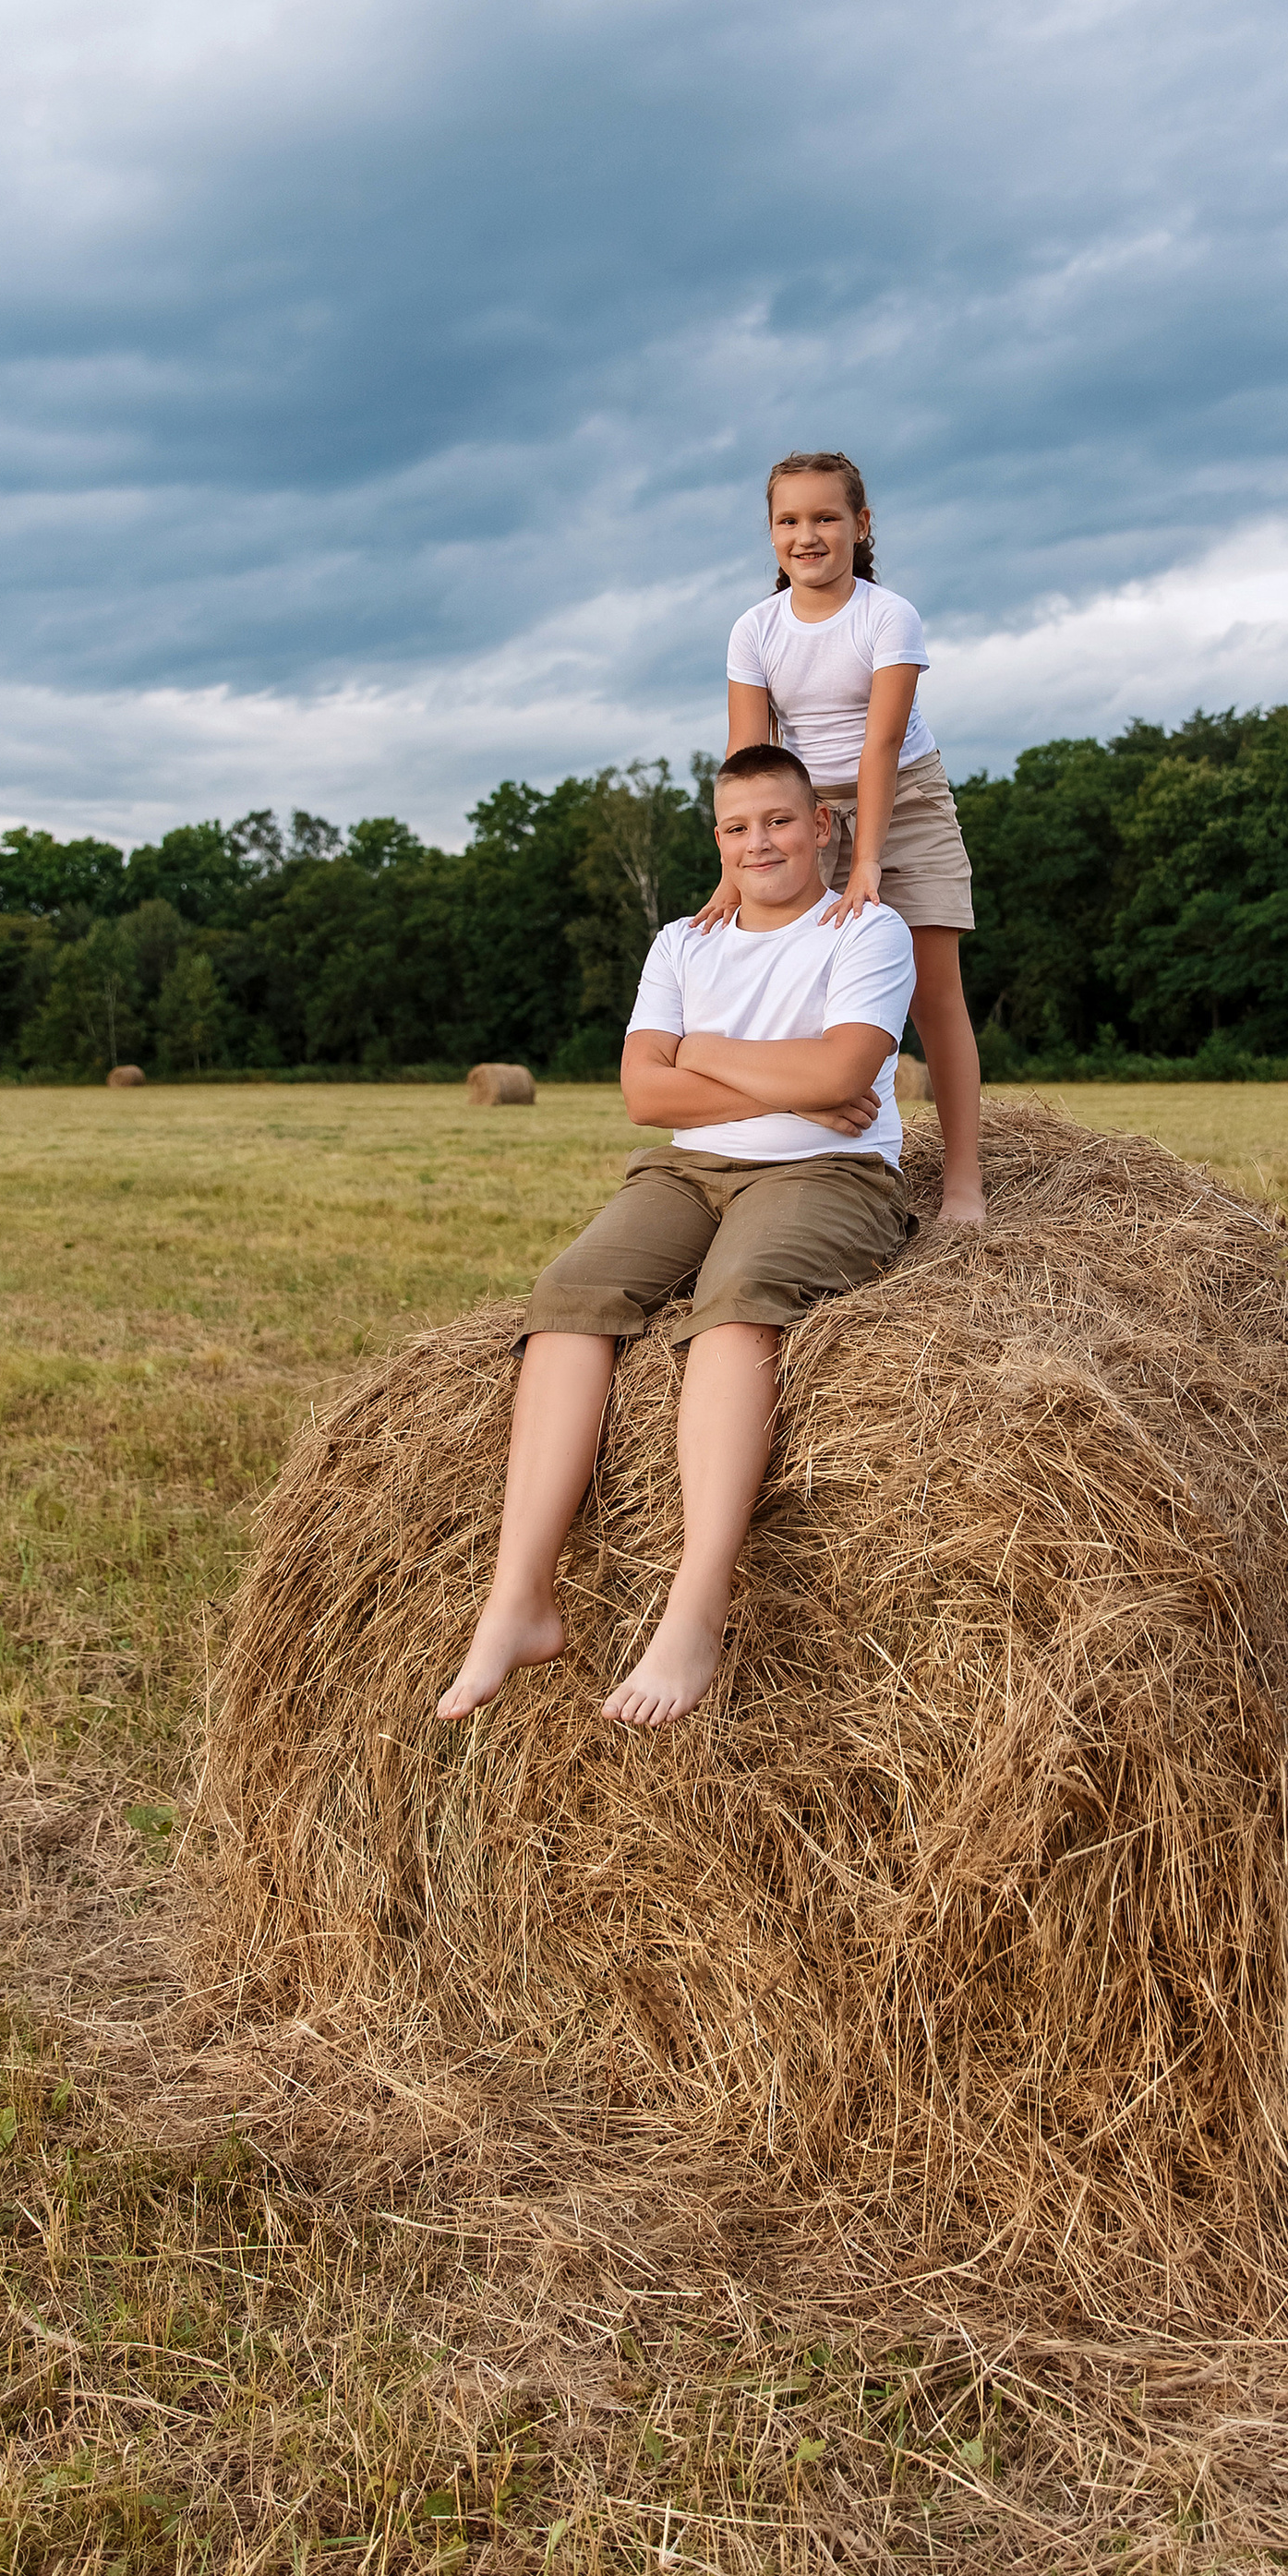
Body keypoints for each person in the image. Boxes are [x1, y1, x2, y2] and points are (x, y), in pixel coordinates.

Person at [435, 743, 917, 1733]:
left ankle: (695, 1610)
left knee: (735, 1304)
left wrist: (697, 1051)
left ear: (821, 826)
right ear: (717, 840)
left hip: (828, 1173)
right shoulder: (681, 942)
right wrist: (769, 1071)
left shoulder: (866, 930)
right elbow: (641, 1095)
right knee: (569, 1296)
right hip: (687, 1170)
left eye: (779, 821)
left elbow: (844, 1079)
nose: (760, 843)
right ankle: (519, 1597)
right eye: (737, 828)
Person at [700, 451, 987, 1226]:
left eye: (826, 517)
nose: (808, 535)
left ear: (860, 527)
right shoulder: (755, 630)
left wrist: (865, 864)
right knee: (800, 995)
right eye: (789, 520)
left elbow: (881, 746)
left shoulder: (887, 615)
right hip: (801, 812)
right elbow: (746, 756)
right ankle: (807, 1158)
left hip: (906, 798)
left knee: (934, 993)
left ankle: (963, 1182)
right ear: (770, 534)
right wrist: (733, 871)